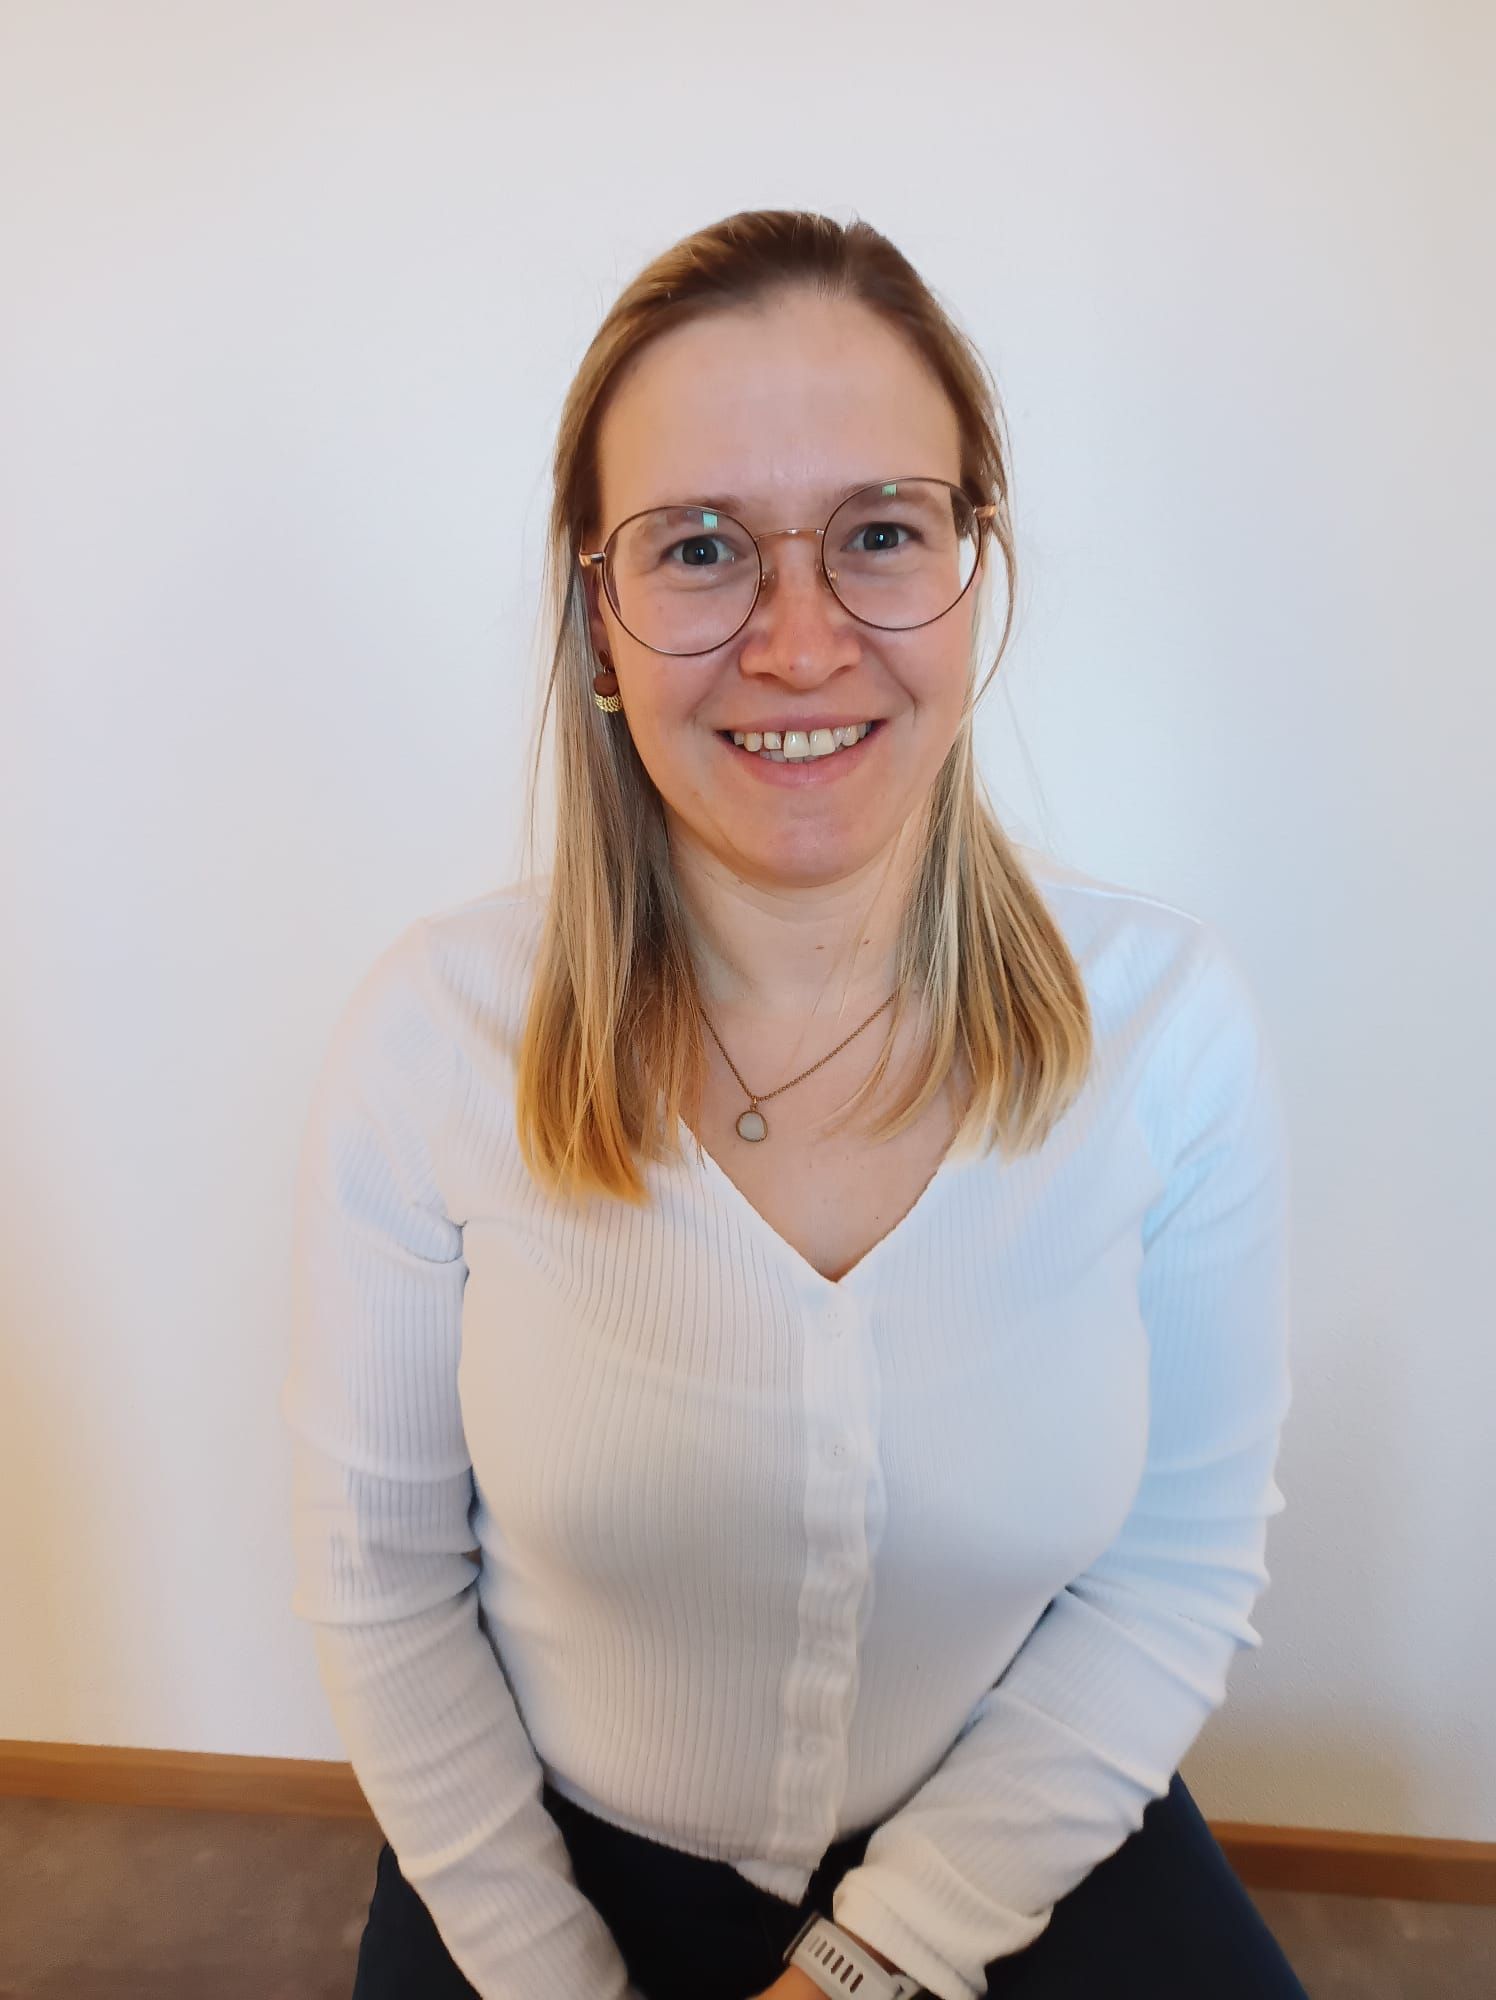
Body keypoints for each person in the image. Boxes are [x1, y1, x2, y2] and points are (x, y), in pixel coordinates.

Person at [281, 208, 1309, 2000]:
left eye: (881, 533)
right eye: (700, 550)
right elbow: (381, 1579)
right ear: (601, 620)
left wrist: (869, 1968)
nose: (804, 642)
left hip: (1019, 1848)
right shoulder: (432, 1041)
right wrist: (548, 1968)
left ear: (971, 574)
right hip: (542, 1874)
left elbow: (1174, 1572)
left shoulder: (1172, 1033)